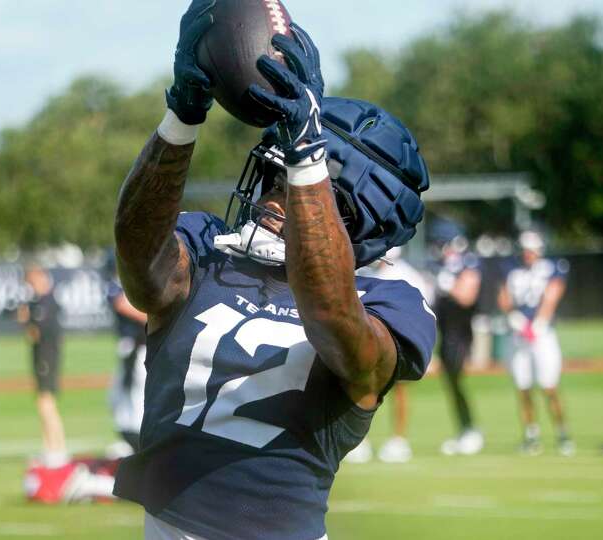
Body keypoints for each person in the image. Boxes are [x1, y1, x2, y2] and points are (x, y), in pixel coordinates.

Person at [112, 5, 436, 538]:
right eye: (273, 178)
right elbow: (141, 269)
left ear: (353, 222)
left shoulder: (391, 303)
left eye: (296, 188)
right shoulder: (208, 247)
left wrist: (308, 154)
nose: (273, 199)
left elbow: (334, 319)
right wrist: (184, 112)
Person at [347, 246, 434, 464]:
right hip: (366, 342)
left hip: (400, 340)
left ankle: (399, 439)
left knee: (400, 390)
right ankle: (360, 441)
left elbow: (425, 313)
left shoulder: (408, 275)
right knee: (362, 389)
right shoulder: (365, 272)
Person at [497, 231, 574, 456]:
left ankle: (562, 432)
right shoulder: (511, 269)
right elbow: (503, 297)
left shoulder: (552, 268)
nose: (527, 254)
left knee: (549, 386)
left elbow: (552, 295)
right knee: (523, 387)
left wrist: (538, 323)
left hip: (542, 334)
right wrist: (516, 319)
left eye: (531, 249)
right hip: (519, 335)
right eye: (525, 249)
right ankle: (531, 435)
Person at [429, 218, 485, 456]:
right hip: (446, 333)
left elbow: (466, 297)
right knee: (451, 383)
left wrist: (447, 283)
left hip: (461, 333)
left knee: (457, 382)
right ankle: (465, 430)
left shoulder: (466, 263)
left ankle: (471, 430)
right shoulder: (442, 266)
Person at [18, 264, 68, 467]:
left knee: (46, 403)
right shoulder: (40, 302)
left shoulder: (46, 303)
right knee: (43, 402)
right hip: (42, 355)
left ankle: (57, 448)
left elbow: (35, 333)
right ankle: (50, 447)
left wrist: (25, 320)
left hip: (47, 355)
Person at [102, 255, 149, 458]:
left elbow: (127, 307)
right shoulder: (118, 286)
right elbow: (123, 305)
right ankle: (129, 440)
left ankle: (137, 441)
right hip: (131, 346)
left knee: (136, 395)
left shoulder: (133, 284)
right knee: (119, 397)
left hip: (139, 347)